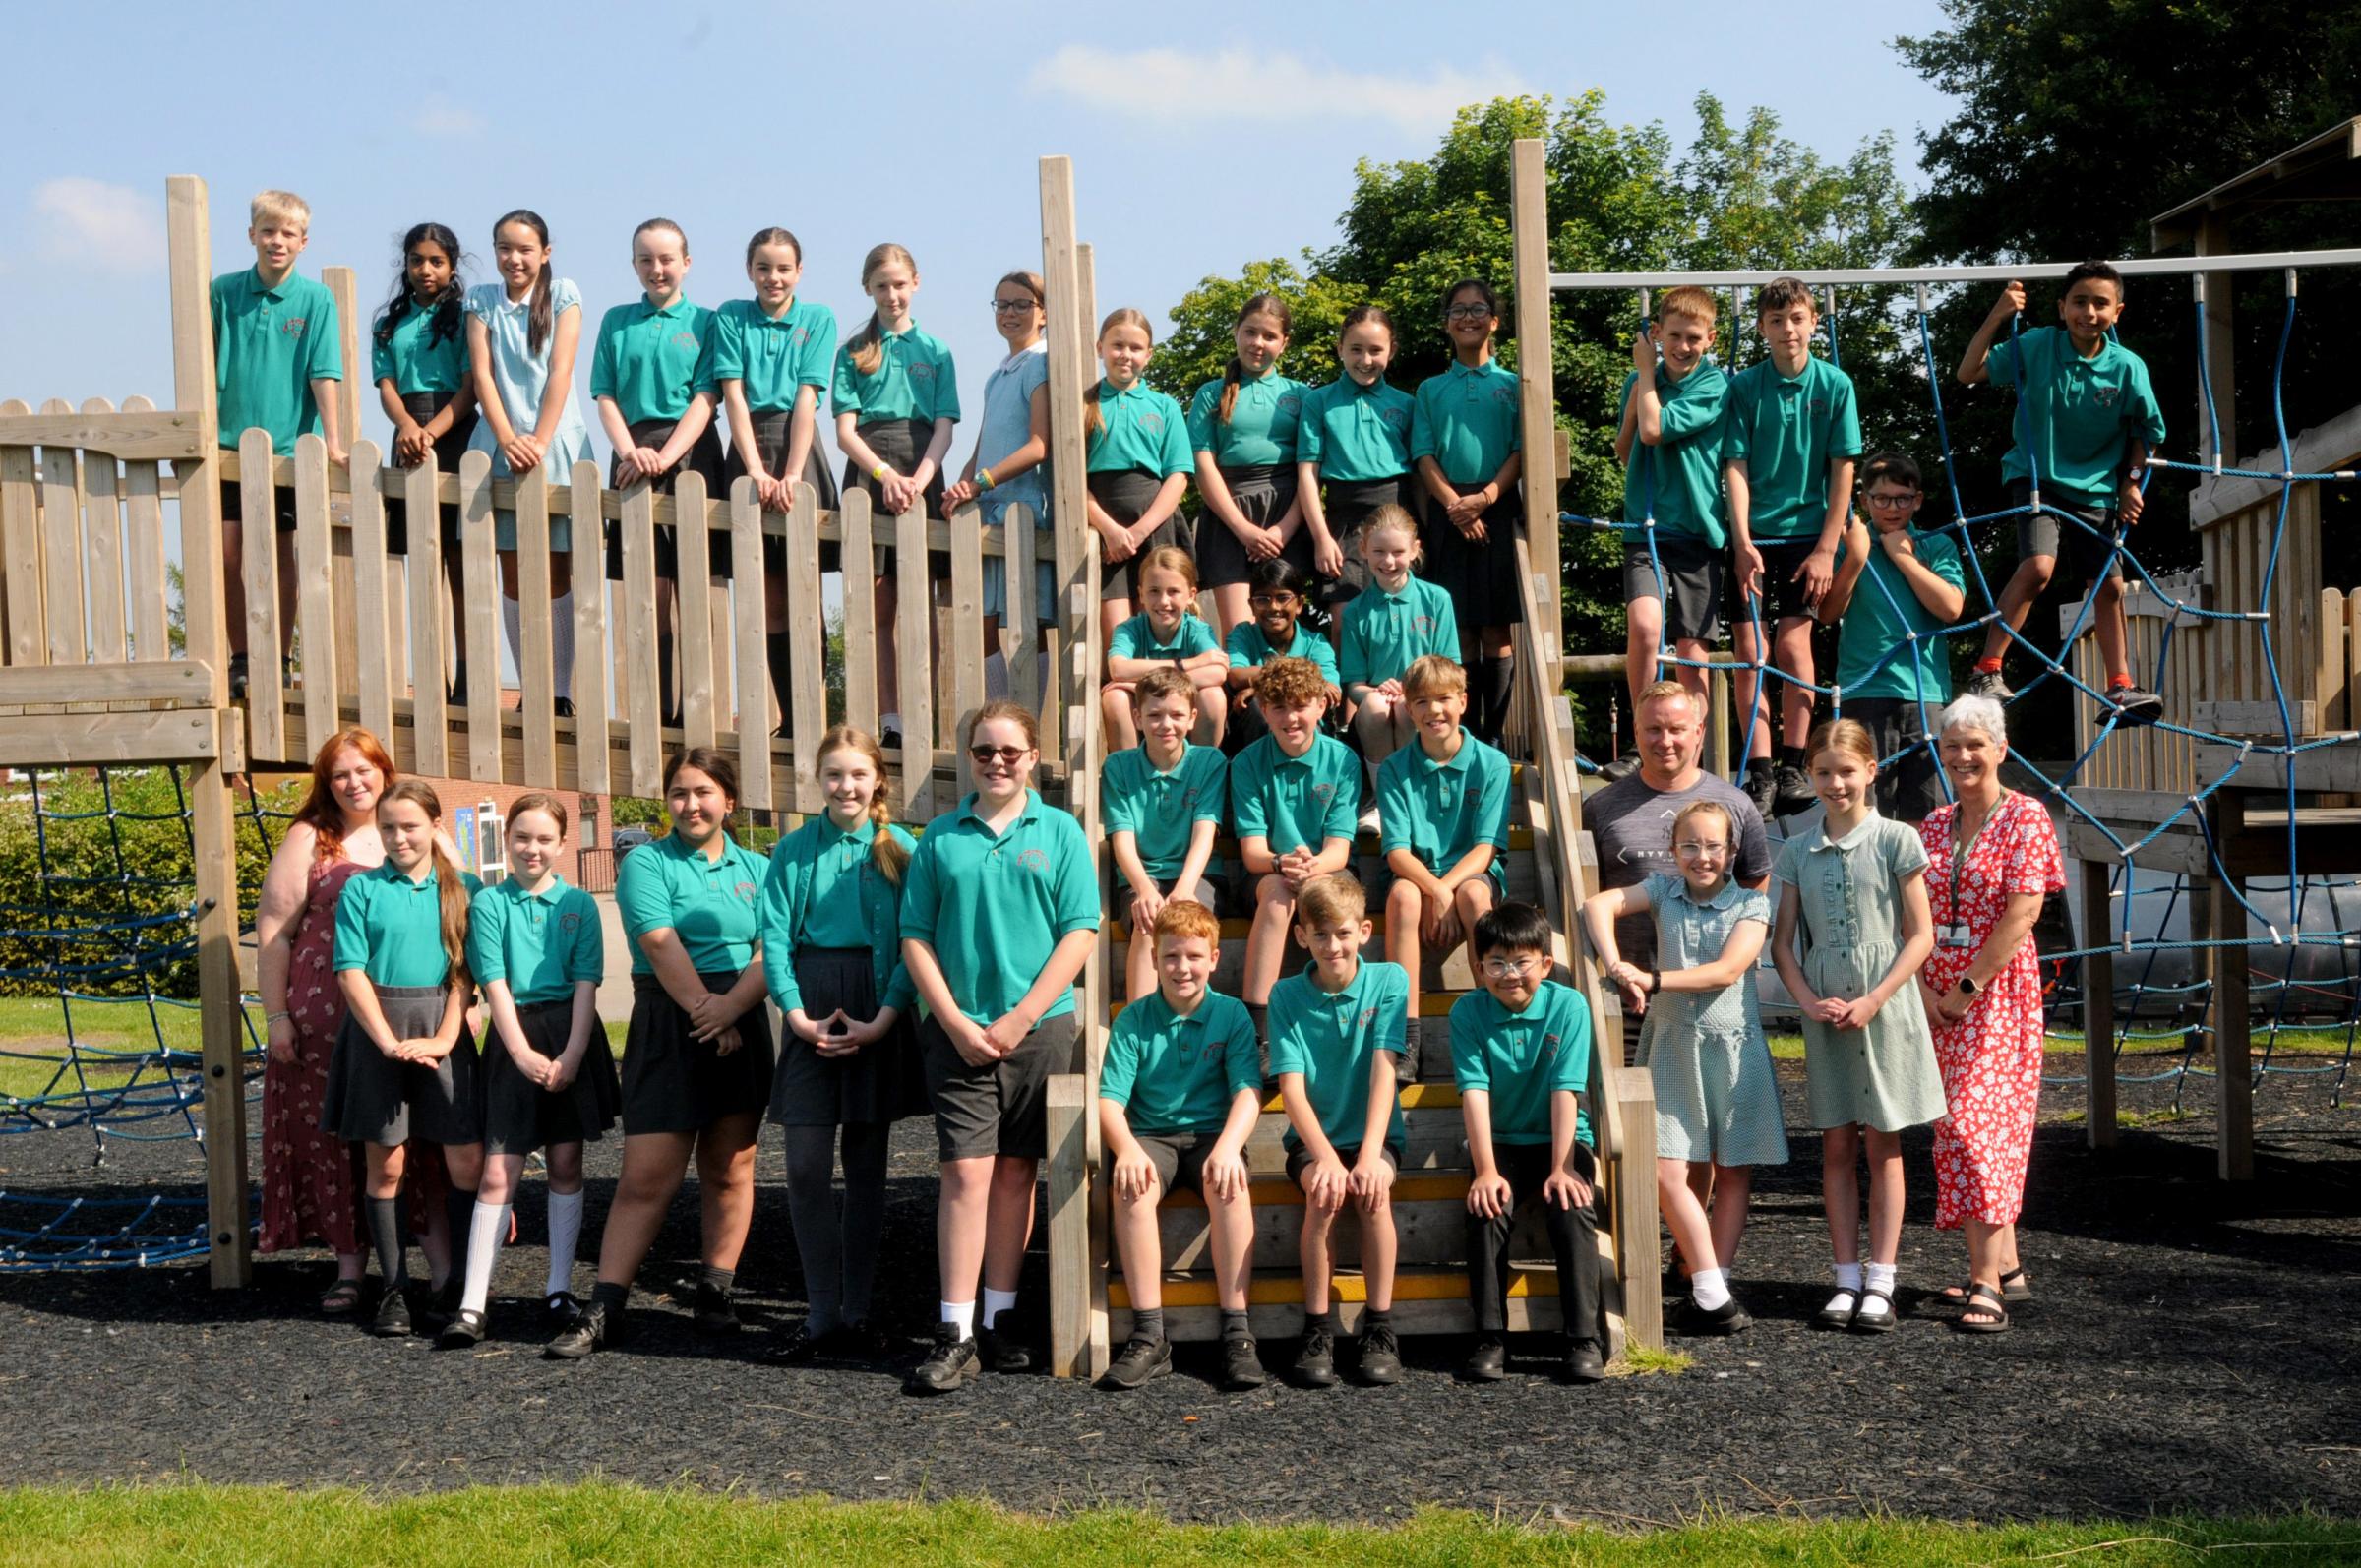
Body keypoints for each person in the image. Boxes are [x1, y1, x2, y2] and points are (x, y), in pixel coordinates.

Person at [899, 701, 1100, 1393]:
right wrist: (954, 1020)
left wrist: (1022, 1016)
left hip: (1038, 1027)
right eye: (983, 751)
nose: (996, 762)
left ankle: (1000, 1319)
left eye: (1010, 751)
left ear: (1033, 757)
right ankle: (953, 1328)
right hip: (958, 1029)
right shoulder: (940, 838)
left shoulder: (1062, 831)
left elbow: (1079, 931)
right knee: (965, 1173)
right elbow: (915, 937)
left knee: (1017, 1172)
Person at [547, 748, 770, 1358]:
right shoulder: (646, 862)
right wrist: (708, 1011)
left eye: (703, 792)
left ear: (728, 799)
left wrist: (731, 1011)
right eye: (678, 792)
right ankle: (605, 1307)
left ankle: (715, 1290)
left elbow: (769, 947)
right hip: (671, 1021)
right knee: (647, 1176)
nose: (690, 804)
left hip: (741, 1014)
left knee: (731, 1169)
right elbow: (658, 940)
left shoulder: (759, 867)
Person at [1583, 800, 1786, 1336]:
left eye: (1713, 846)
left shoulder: (1751, 906)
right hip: (1672, 1043)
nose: (1702, 856)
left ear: (1732, 850)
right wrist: (1614, 965)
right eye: (1690, 846)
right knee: (1665, 1168)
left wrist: (1649, 980)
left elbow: (1726, 971)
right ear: (1673, 851)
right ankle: (1713, 1292)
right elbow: (1596, 906)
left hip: (1732, 1047)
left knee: (1731, 1167)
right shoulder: (1661, 892)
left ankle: (1709, 1282)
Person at [1769, 719, 1945, 1335]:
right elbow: (1784, 944)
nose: (1835, 783)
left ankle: (1882, 1279)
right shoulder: (1795, 850)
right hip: (1825, 1011)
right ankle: (1844, 1277)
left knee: (1884, 1143)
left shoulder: (1897, 839)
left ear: (1871, 771)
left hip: (1885, 1006)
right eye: (1823, 772)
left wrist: (1874, 999)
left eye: (1847, 770)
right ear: (1811, 777)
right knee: (1837, 1146)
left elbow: (1919, 936)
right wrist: (1807, 1002)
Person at [757, 727, 920, 1364]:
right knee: (801, 1165)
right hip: (811, 1002)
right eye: (833, 775)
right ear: (817, 781)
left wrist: (886, 1016)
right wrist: (795, 1016)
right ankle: (819, 1312)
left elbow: (915, 940)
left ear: (876, 780)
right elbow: (773, 936)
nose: (845, 787)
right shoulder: (794, 850)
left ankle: (857, 1312)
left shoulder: (900, 849)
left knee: (867, 1166)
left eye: (857, 775)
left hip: (877, 1004)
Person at [1956, 264, 2165, 722]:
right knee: (2038, 568)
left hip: (2098, 489)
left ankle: (2120, 687)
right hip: (2037, 477)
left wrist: (2131, 483)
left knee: (2108, 586)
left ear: (2117, 311)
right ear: (2062, 307)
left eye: (2100, 303)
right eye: (2079, 302)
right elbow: (1967, 372)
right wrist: (1997, 314)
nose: (2088, 312)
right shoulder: (2038, 345)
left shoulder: (2127, 368)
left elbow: (2147, 432)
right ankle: (1987, 667)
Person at [1915, 694, 2065, 1334]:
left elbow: (2023, 913)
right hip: (1936, 997)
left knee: (1980, 1129)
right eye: (1952, 745)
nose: (1964, 755)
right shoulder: (1932, 825)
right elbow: (1911, 913)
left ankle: (1985, 1284)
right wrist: (1924, 991)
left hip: (1995, 996)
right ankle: (2006, 1266)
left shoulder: (2026, 817)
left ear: (2000, 750)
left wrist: (1967, 986)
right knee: (1955, 1126)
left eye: (1976, 743)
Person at [451, 794, 616, 1348]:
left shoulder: (579, 905)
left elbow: (586, 984)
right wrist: (520, 1053)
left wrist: (572, 1054)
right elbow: (493, 982)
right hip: (513, 1037)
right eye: (522, 837)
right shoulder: (491, 904)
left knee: (567, 1161)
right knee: (500, 1171)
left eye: (545, 838)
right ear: (508, 841)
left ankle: (558, 1288)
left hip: (570, 1035)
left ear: (562, 844)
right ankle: (473, 1304)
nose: (533, 848)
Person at [322, 781, 483, 1338]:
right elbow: (350, 969)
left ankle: (463, 1285)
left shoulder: (463, 890)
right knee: (386, 1164)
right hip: (378, 1033)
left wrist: (442, 1039)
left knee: (465, 1162)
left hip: (443, 1029)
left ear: (435, 826)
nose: (398, 837)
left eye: (410, 826)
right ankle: (394, 1286)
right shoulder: (363, 890)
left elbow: (465, 974)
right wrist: (386, 1041)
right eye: (387, 827)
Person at [1096, 900, 1267, 1392]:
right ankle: (1150, 1334)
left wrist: (1232, 1146)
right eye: (1171, 957)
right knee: (1130, 1188)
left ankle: (1237, 1331)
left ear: (1214, 958)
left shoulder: (1231, 1015)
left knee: (1231, 1187)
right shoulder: (1133, 1020)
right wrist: (1126, 1148)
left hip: (1214, 1135)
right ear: (1153, 959)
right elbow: (1110, 1100)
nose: (1182, 967)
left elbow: (1248, 1092)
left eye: (1194, 956)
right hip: (1152, 1136)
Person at [254, 728, 394, 1313]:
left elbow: (459, 909)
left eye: (364, 770)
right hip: (323, 1018)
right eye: (341, 774)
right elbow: (274, 930)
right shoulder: (312, 838)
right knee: (333, 1139)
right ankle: (349, 1267)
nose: (354, 783)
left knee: (411, 1138)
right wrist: (278, 1016)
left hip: (407, 1012)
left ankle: (425, 1265)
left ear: (384, 770)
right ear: (326, 784)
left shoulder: (415, 826)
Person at [1725, 277, 1861, 820]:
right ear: (1762, 328)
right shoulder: (1745, 387)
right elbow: (1734, 465)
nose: (1788, 329)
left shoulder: (1834, 385)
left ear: (1814, 323)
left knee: (1792, 647)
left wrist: (1829, 547)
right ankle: (1758, 769)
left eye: (1798, 319)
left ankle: (1792, 763)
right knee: (1749, 655)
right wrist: (1740, 542)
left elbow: (1843, 468)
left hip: (1808, 536)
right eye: (1777, 321)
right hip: (1755, 535)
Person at [1451, 901, 1604, 1384]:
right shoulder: (1467, 1011)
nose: (1509, 974)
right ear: (1479, 967)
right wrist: (1486, 1169)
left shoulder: (1568, 1005)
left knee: (1573, 1204)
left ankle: (1582, 1337)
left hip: (1561, 1138)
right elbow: (1474, 1093)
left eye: (1521, 962)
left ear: (1544, 961)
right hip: (1500, 1143)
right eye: (1496, 963)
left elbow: (1567, 1090)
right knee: (1485, 1208)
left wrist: (1562, 1166)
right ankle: (1492, 1336)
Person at [1268, 873, 1408, 1388]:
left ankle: (1380, 1325)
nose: (1333, 945)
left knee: (1374, 1194)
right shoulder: (1285, 995)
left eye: (1343, 933)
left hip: (1375, 1133)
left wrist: (1370, 1154)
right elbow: (1292, 1089)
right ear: (1301, 936)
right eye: (1321, 934)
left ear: (1364, 932)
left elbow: (1384, 1069)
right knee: (1323, 1195)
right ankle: (1318, 1327)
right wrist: (1325, 1157)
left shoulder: (1390, 980)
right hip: (1313, 1138)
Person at [702, 225, 841, 733]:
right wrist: (757, 469)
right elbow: (733, 397)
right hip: (748, 449)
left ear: (798, 272)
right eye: (764, 267)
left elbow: (807, 399)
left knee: (805, 588)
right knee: (769, 593)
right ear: (749, 271)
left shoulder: (818, 318)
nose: (773, 277)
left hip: (798, 444)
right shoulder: (731, 317)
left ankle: (814, 712)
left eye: (783, 268)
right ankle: (788, 714)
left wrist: (791, 474)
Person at [591, 217, 723, 728]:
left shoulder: (708, 322)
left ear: (686, 262)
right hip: (631, 452)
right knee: (650, 591)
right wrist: (631, 453)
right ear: (633, 266)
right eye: (646, 259)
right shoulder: (616, 320)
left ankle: (696, 710)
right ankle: (658, 711)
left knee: (693, 588)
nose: (657, 268)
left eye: (667, 258)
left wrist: (665, 457)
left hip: (690, 454)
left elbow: (707, 396)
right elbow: (603, 393)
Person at [214, 188, 343, 696]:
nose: (277, 241)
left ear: (303, 242)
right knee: (229, 554)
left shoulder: (315, 299)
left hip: (287, 449)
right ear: (251, 235)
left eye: (288, 233)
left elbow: (324, 371)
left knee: (281, 554)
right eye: (268, 231)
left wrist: (331, 441)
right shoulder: (223, 292)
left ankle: (282, 654)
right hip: (225, 447)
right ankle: (242, 655)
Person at [465, 211, 592, 717]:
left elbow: (561, 370)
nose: (514, 258)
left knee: (558, 569)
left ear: (545, 251)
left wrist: (538, 440)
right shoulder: (481, 302)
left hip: (554, 441)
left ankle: (560, 689)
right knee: (513, 572)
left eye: (524, 249)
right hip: (500, 445)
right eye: (504, 248)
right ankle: (528, 688)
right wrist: (507, 438)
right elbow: (483, 375)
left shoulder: (564, 296)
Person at [833, 242, 959, 751]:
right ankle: (890, 719)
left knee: (924, 605)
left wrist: (921, 479)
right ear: (868, 288)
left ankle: (925, 713)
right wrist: (885, 474)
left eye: (899, 284)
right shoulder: (853, 352)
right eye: (881, 285)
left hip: (923, 468)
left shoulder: (937, 351)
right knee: (880, 607)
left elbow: (946, 426)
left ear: (916, 284)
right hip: (871, 471)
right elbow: (845, 431)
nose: (892, 294)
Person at [1609, 286, 1727, 771]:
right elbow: (1627, 447)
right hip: (1647, 528)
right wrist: (1641, 383)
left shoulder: (1715, 385)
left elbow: (1656, 430)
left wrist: (1644, 374)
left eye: (1693, 338)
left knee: (1691, 651)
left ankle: (1691, 750)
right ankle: (1643, 735)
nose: (1683, 346)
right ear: (1655, 334)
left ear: (1710, 338)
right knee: (1644, 625)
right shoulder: (1637, 383)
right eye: (1673, 336)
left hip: (1698, 533)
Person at [1378, 655, 1509, 1075]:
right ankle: (1406, 1036)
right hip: (1416, 875)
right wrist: (1435, 891)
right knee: (1401, 894)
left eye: (1444, 699)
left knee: (1473, 893)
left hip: (1471, 874)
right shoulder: (1395, 769)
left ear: (1463, 702)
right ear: (1408, 710)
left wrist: (1448, 890)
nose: (1434, 710)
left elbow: (1485, 848)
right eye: (1421, 702)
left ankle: (1491, 1021)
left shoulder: (1492, 763)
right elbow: (1397, 853)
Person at [1586, 681, 1773, 975]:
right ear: (1636, 732)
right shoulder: (1600, 807)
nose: (1665, 740)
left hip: (1714, 995)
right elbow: (1589, 891)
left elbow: (1755, 884)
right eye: (1653, 729)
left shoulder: (1737, 804)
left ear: (1698, 732)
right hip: (1626, 993)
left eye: (1676, 729)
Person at [1819, 452, 1967, 824]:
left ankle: (1919, 885)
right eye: (1881, 498)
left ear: (1917, 500)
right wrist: (1857, 556)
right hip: (1865, 689)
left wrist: (1902, 556)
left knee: (1927, 814)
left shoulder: (1936, 545)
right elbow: (1827, 613)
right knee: (1866, 810)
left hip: (1925, 691)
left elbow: (1951, 607)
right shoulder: (1849, 543)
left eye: (1902, 498)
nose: (1892, 507)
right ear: (1865, 501)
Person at [1410, 278, 1523, 746]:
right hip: (1447, 507)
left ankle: (1492, 736)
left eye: (1479, 309)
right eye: (1458, 311)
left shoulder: (1514, 384)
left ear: (1495, 321)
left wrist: (1487, 498)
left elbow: (1522, 449)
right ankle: (1464, 733)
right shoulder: (1431, 389)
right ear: (1447, 324)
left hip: (1498, 505)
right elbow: (1423, 452)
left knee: (1497, 627)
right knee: (1456, 628)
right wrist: (1456, 504)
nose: (1469, 317)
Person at [1228, 656, 1360, 1051]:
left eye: (1301, 706)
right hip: (1270, 871)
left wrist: (1312, 868)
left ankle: (1349, 1016)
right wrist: (1281, 864)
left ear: (1321, 705)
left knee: (1331, 897)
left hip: (1328, 868)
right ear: (1263, 710)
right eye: (1279, 708)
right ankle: (1259, 1030)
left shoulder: (1342, 760)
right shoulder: (1248, 762)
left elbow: (1339, 849)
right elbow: (1252, 852)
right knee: (1279, 895)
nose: (1291, 719)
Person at [371, 222, 478, 702]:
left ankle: (469, 674)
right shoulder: (388, 324)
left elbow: (472, 384)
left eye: (436, 261)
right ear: (406, 265)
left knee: (460, 560)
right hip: (408, 435)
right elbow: (387, 385)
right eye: (417, 260)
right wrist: (410, 430)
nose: (426, 269)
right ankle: (431, 674)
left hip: (454, 432)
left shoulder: (464, 318)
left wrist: (433, 431)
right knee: (423, 561)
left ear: (452, 266)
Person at [943, 271, 1055, 702]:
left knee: (1026, 623)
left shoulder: (1040, 364)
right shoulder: (996, 376)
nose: (1010, 313)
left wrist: (983, 481)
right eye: (1002, 304)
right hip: (987, 508)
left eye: (1022, 304)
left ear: (1043, 312)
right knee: (983, 621)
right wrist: (962, 485)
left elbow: (1039, 444)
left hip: (1020, 508)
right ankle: (999, 713)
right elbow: (983, 442)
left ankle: (1025, 717)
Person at [1105, 668, 1227, 1008]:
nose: (1166, 725)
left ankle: (1191, 1016)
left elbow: (1205, 833)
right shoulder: (1119, 767)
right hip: (1142, 875)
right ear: (1137, 718)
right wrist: (1144, 888)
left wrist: (1186, 888)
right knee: (1148, 924)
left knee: (1188, 928)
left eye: (1176, 715)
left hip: (1197, 874)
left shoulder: (1208, 761)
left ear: (1192, 719)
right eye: (1154, 715)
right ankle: (1138, 1027)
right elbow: (1122, 839)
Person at [1188, 292, 1307, 640]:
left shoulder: (1302, 396)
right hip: (1229, 516)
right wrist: (1243, 529)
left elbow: (1309, 470)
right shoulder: (1210, 394)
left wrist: (1284, 529)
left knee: (1285, 633)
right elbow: (1204, 466)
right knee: (1240, 635)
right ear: (1236, 332)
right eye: (1251, 332)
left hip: (1288, 512)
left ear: (1284, 343)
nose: (1258, 343)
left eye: (1269, 336)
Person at [1338, 504, 1461, 815]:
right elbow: (1353, 684)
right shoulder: (1355, 611)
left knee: (1409, 709)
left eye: (1397, 551)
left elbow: (1451, 671)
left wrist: (1411, 692)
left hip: (1426, 699)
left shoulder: (1437, 600)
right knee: (1378, 708)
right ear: (1364, 549)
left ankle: (1415, 792)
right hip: (1376, 702)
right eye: (1379, 551)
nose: (1388, 561)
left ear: (1414, 550)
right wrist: (1380, 692)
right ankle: (1384, 799)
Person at [1296, 304, 1413, 629]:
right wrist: (1321, 536)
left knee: (1397, 619)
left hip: (1396, 518)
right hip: (1342, 522)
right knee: (1345, 622)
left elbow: (1418, 476)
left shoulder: (1406, 404)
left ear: (1392, 350)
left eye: (1376, 350)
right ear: (1340, 350)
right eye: (1356, 350)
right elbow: (1308, 473)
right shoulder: (1318, 401)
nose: (1366, 360)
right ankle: (1350, 682)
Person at [1082, 308, 1193, 638]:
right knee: (1118, 632)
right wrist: (1110, 530)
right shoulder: (1081, 405)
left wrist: (1141, 531)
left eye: (1135, 348)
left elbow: (1178, 475)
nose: (1125, 355)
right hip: (1103, 522)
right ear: (1099, 347)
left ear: (1149, 354)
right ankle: (1117, 688)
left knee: (1159, 622)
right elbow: (1072, 482)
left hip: (1154, 521)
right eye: (1117, 345)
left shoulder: (1165, 407)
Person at [1100, 546, 1227, 751]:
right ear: (1141, 594)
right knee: (1114, 698)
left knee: (1213, 696)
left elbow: (1217, 673)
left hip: (1183, 718)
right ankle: (1129, 776)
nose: (1163, 601)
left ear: (1191, 595)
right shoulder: (1128, 629)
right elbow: (1118, 669)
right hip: (1142, 716)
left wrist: (1141, 687)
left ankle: (1201, 774)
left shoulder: (1197, 630)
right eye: (1154, 592)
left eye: (1173, 592)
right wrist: (1189, 663)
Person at [1223, 557, 1341, 754]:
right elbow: (1236, 676)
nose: (1274, 607)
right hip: (1252, 733)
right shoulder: (1243, 634)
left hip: (1307, 732)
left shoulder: (1316, 643)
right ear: (1251, 605)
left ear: (1300, 603)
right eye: (1263, 600)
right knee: (1258, 708)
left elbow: (1331, 690)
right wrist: (1295, 679)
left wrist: (1261, 688)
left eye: (1283, 598)